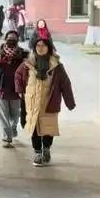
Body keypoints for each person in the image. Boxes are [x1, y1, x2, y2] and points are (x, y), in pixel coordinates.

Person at [15, 38, 76, 167]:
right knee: (34, 128)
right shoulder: (27, 64)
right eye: (38, 45)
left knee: (48, 127)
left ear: (49, 48)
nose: (40, 48)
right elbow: (18, 76)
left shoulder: (56, 66)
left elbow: (65, 84)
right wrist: (20, 91)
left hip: (49, 102)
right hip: (32, 102)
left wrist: (70, 102)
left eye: (43, 45)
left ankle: (46, 148)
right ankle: (38, 152)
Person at [0, 31, 28, 148]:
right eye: (9, 38)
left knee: (15, 114)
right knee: (3, 115)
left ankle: (13, 127)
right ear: (5, 39)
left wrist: (26, 63)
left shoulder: (23, 53)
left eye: (14, 39)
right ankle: (7, 136)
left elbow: (28, 69)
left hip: (16, 89)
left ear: (17, 40)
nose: (11, 41)